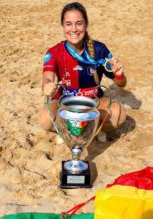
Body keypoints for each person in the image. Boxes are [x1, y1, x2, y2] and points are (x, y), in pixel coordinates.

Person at [40, 2, 127, 142]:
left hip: (93, 103)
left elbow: (121, 84)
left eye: (79, 23)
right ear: (63, 26)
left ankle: (94, 128)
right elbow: (46, 79)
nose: (74, 29)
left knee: (120, 114)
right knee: (45, 120)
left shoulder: (99, 49)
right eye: (68, 24)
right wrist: (47, 86)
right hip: (64, 103)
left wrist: (119, 74)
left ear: (86, 24)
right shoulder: (54, 52)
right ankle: (64, 128)